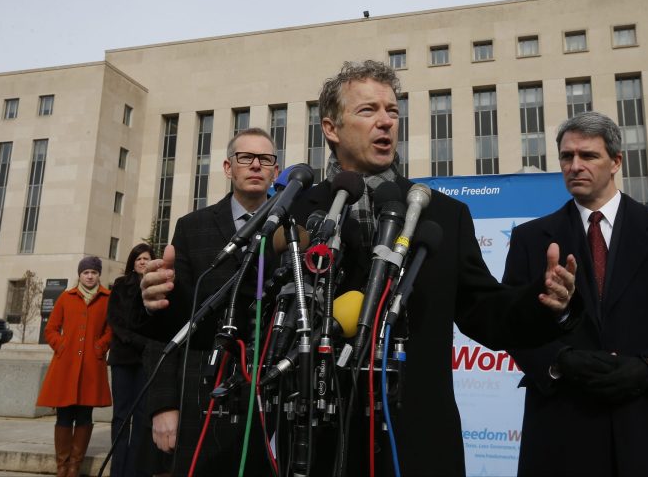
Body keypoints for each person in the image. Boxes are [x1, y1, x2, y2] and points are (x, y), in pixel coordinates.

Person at [141, 61, 578, 477]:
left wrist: (543, 304)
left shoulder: (443, 215)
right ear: (330, 128)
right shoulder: (292, 214)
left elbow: (486, 312)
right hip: (313, 442)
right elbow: (236, 315)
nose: (386, 121)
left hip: (417, 440)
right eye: (368, 110)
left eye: (392, 110)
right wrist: (166, 299)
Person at [503, 111, 648, 476]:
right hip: (566, 432)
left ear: (616, 162)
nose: (574, 166)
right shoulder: (531, 240)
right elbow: (510, 325)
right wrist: (560, 360)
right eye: (567, 156)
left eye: (588, 156)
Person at [138, 128, 279, 475]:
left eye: (266, 160)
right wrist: (163, 406)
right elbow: (167, 324)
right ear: (228, 167)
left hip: (271, 399)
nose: (256, 166)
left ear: (276, 172)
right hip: (201, 397)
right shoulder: (192, 228)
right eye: (246, 158)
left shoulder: (294, 231)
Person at [36, 256, 113, 477]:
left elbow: (112, 330)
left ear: (99, 275)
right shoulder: (65, 297)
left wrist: (100, 347)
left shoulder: (108, 298)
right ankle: (62, 466)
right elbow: (51, 329)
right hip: (65, 366)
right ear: (79, 275)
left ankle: (74, 467)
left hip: (91, 367)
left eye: (94, 273)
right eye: (86, 272)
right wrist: (61, 346)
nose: (90, 276)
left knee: (84, 416)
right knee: (64, 416)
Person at [107, 243, 154, 477]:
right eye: (138, 258)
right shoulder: (120, 285)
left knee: (143, 416)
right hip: (123, 357)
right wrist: (139, 341)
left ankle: (137, 470)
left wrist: (148, 345)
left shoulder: (158, 287)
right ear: (132, 262)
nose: (142, 262)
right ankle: (119, 470)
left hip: (145, 360)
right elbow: (115, 320)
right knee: (121, 415)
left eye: (146, 258)